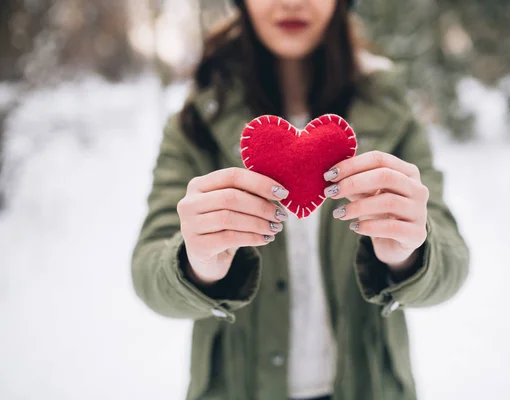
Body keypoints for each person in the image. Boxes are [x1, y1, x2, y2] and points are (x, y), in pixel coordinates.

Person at [131, 0, 469, 399]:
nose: (292, 1)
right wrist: (195, 263)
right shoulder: (197, 120)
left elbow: (452, 263)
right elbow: (148, 273)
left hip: (370, 385)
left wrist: (411, 252)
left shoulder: (391, 110)